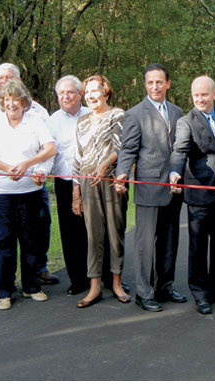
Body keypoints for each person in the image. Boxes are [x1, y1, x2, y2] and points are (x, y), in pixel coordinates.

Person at [0, 63, 59, 286]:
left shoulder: (37, 112)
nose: (4, 82)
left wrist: (39, 169)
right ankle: (5, 288)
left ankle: (39, 270)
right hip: (0, 185)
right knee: (4, 236)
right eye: (0, 78)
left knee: (37, 229)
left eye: (9, 77)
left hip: (33, 183)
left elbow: (48, 148)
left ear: (20, 81)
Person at [115, 63, 186, 312]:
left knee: (169, 241)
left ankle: (164, 286)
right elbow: (128, 149)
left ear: (167, 84)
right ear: (145, 84)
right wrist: (122, 173)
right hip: (148, 188)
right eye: (150, 82)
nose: (154, 86)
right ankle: (144, 293)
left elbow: (181, 148)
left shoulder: (178, 112)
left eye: (159, 82)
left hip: (174, 188)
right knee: (145, 245)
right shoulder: (135, 114)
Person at [169, 75, 215, 315]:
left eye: (204, 94)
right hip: (199, 191)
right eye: (196, 95)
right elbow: (179, 151)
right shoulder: (185, 122)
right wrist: (174, 173)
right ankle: (200, 294)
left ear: (214, 95)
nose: (199, 99)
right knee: (198, 247)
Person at [72, 75, 130, 308]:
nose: (91, 96)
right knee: (93, 234)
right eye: (87, 93)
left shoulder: (118, 114)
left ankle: (117, 282)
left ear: (106, 92)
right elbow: (77, 157)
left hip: (112, 179)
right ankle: (94, 286)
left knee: (115, 233)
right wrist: (75, 193)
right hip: (88, 181)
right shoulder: (82, 121)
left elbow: (121, 146)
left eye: (95, 91)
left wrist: (104, 165)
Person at [48, 75, 91, 296]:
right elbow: (48, 152)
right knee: (70, 233)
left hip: (92, 182)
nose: (65, 97)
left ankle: (100, 277)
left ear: (79, 94)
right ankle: (78, 279)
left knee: (95, 231)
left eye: (70, 92)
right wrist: (41, 171)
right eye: (61, 94)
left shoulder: (92, 114)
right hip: (65, 183)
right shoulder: (52, 120)